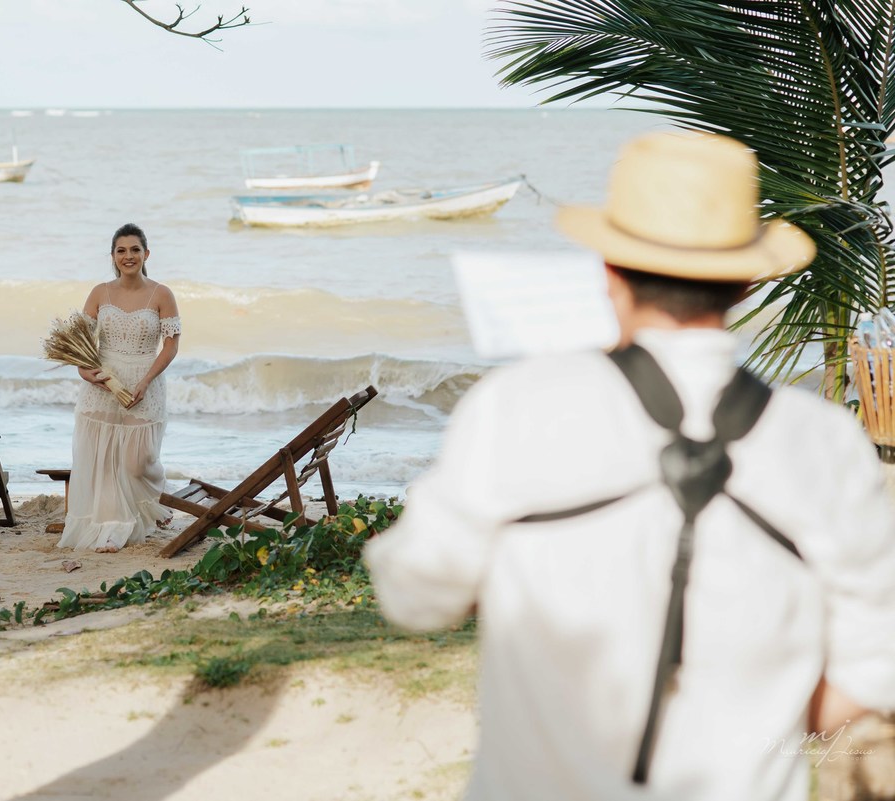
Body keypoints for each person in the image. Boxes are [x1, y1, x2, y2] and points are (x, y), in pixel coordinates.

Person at [364, 131, 895, 800]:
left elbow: (415, 596)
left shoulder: (517, 407)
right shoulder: (822, 442)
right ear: (745, 283)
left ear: (608, 270)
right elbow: (871, 669)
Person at [59, 222, 181, 552]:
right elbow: (80, 343)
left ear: (146, 254)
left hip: (145, 382)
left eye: (135, 250)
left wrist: (145, 381)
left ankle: (155, 498)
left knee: (136, 461)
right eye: (121, 250)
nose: (129, 256)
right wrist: (86, 372)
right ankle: (114, 527)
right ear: (113, 256)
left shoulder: (162, 294)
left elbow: (170, 346)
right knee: (102, 459)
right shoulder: (100, 292)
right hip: (104, 384)